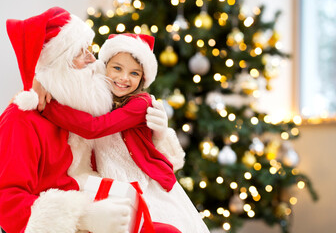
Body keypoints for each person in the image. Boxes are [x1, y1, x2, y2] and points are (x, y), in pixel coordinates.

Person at [0, 7, 177, 233]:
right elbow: (7, 203)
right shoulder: (21, 119)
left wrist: (160, 136)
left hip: (103, 202)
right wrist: (83, 218)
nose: (93, 60)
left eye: (90, 50)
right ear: (59, 62)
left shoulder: (82, 109)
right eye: (81, 53)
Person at [39, 33, 210, 233]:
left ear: (143, 78)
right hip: (111, 181)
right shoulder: (98, 96)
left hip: (144, 182)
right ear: (104, 67)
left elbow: (95, 128)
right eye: (117, 68)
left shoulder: (140, 103)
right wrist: (45, 84)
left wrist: (48, 107)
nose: (124, 78)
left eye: (134, 73)